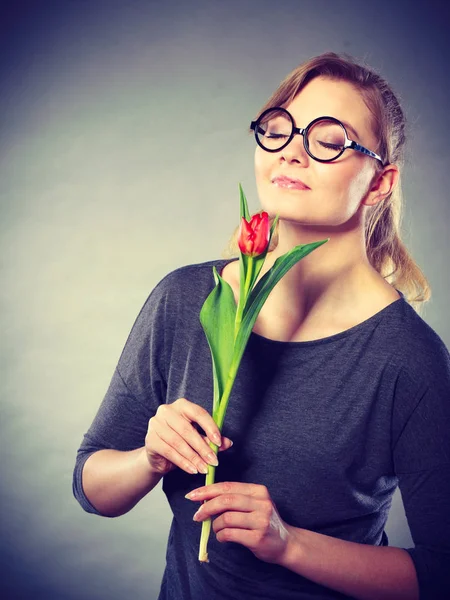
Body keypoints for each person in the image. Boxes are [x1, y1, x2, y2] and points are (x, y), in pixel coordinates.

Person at [73, 52, 450, 599]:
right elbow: (91, 485)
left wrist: (288, 543)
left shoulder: (407, 358)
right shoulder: (184, 300)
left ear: (379, 183)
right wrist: (148, 457)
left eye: (328, 142)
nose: (293, 152)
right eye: (279, 130)